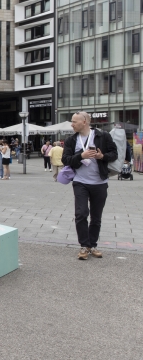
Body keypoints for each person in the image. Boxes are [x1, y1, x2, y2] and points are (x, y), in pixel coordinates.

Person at [62, 111, 117, 260]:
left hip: (100, 183)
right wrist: (81, 156)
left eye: (74, 121)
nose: (72, 124)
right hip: (80, 182)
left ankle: (92, 245)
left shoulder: (103, 136)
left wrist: (102, 156)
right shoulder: (71, 140)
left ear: (84, 122)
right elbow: (65, 160)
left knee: (96, 217)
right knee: (81, 214)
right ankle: (84, 246)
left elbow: (114, 154)